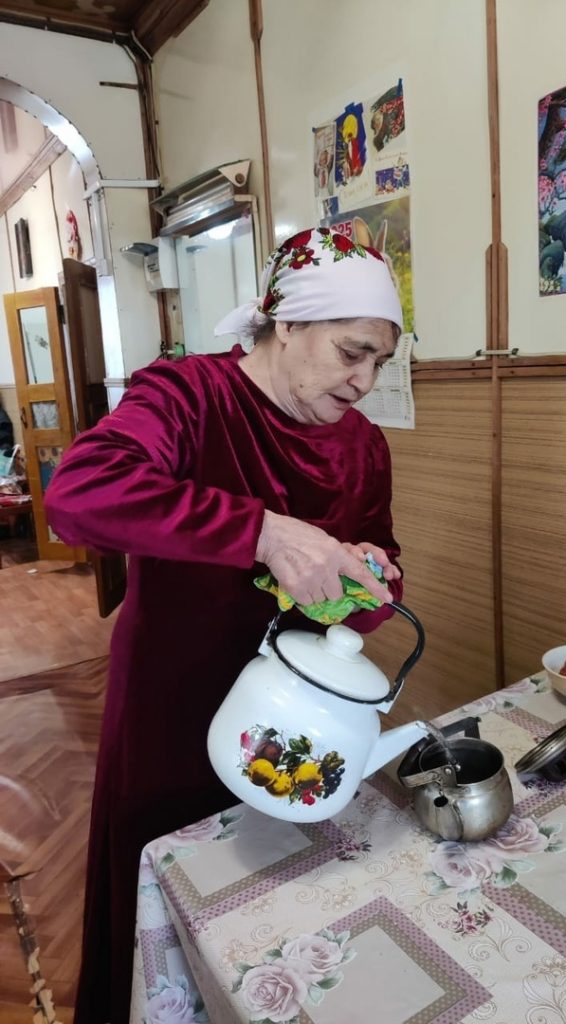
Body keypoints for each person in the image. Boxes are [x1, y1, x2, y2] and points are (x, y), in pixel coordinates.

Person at [43, 226, 405, 1024]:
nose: (366, 380)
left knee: (280, 889)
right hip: (176, 695)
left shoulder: (363, 447)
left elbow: (382, 575)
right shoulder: (188, 396)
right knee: (170, 885)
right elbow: (78, 495)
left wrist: (369, 581)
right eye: (353, 352)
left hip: (301, 711)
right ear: (288, 322)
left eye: (381, 361)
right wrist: (263, 532)